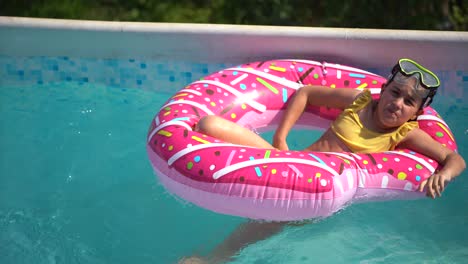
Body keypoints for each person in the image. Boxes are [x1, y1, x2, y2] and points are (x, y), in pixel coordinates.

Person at [179, 59, 466, 263]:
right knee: (209, 123)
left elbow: (454, 158)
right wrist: (281, 137)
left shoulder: (405, 133)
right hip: (289, 161)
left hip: (312, 193)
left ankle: (212, 259)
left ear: (415, 112)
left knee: (252, 231)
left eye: (408, 103)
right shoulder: (361, 101)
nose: (397, 104)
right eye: (395, 93)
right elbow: (305, 93)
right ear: (384, 89)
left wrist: (444, 175)